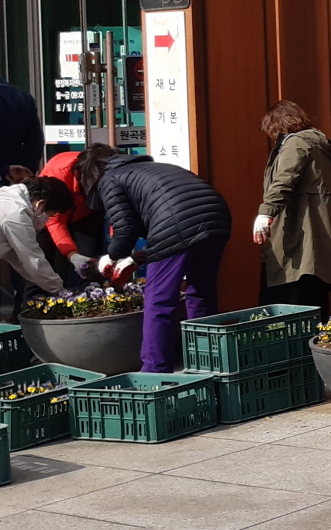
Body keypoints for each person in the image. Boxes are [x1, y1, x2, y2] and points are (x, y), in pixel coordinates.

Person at [96, 154, 233, 373]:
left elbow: (126, 228)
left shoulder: (110, 178)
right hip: (216, 218)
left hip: (180, 222)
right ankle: (207, 362)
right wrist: (134, 258)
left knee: (159, 302)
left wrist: (112, 256)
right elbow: (165, 230)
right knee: (201, 293)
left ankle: (155, 371)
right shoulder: (154, 169)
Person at [253, 101, 331, 318]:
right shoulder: (319, 147)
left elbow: (284, 179)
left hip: (298, 235)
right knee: (314, 296)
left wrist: (266, 212)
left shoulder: (295, 143)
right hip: (318, 237)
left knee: (289, 300)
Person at [0, 39, 42, 321]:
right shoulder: (22, 97)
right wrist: (24, 173)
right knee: (21, 243)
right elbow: (35, 140)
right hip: (16, 185)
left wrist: (1, 169)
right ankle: (23, 309)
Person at [0, 177, 79, 299]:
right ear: (40, 204)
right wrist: (61, 292)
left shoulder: (4, 205)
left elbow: (20, 262)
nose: (47, 220)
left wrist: (55, 287)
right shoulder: (16, 215)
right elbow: (33, 260)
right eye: (50, 215)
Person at [37, 142, 116, 281]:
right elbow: (55, 220)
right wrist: (72, 255)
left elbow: (116, 211)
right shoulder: (58, 174)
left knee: (90, 262)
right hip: (50, 215)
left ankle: (91, 292)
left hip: (87, 214)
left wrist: (118, 248)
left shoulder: (112, 173)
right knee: (42, 262)